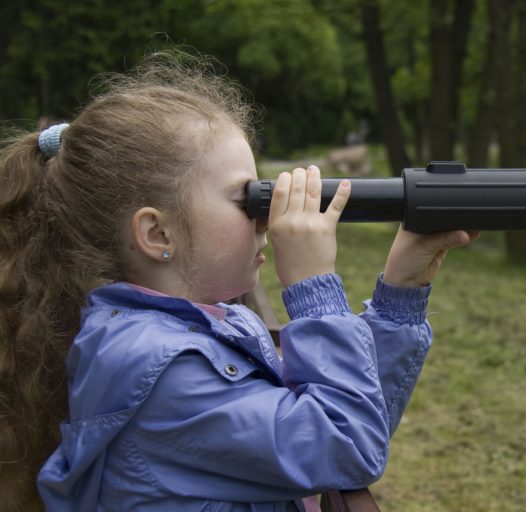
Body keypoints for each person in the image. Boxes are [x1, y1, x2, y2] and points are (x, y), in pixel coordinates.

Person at [0, 52, 476, 511]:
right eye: (244, 199)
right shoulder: (162, 373)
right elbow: (345, 445)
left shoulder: (206, 327)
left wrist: (400, 293)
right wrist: (314, 290)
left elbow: (349, 425)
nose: (265, 220)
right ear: (157, 233)